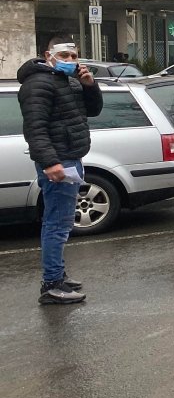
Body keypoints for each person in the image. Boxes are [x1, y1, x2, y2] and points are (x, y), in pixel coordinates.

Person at [18, 35, 103, 305]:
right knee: (56, 224)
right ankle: (52, 285)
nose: (69, 61)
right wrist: (50, 162)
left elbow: (93, 111)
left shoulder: (69, 81)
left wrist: (90, 86)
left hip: (71, 158)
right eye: (63, 56)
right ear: (48, 55)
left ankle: (57, 275)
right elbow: (36, 129)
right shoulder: (38, 84)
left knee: (62, 223)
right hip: (59, 162)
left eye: (73, 56)